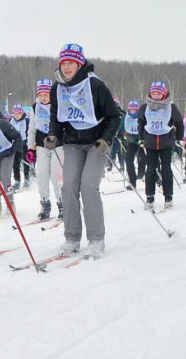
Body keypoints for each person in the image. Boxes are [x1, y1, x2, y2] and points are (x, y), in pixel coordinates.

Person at [45, 44, 120, 257]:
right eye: (63, 63)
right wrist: (53, 135)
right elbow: (55, 116)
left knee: (88, 185)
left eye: (71, 63)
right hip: (73, 143)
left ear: (80, 63)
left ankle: (96, 239)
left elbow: (114, 116)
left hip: (97, 142)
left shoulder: (95, 85)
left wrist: (106, 138)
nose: (67, 67)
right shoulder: (57, 87)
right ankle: (72, 237)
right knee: (68, 186)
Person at [137, 81, 184, 210]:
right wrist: (140, 138)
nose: (156, 96)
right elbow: (141, 123)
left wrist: (179, 138)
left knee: (166, 169)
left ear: (163, 94)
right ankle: (150, 197)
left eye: (158, 93)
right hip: (150, 142)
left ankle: (168, 196)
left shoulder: (171, 107)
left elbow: (179, 122)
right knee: (150, 169)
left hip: (166, 142)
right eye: (153, 93)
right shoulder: (144, 107)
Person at [28, 78, 63, 220]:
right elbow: (31, 129)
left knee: (57, 176)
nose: (43, 97)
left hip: (58, 145)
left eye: (46, 94)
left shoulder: (58, 105)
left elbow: (63, 125)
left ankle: (62, 203)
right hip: (41, 145)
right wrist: (30, 148)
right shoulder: (35, 107)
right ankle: (45, 203)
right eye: (40, 94)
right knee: (42, 175)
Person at [0, 103, 22, 217]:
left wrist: (18, 153)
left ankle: (10, 202)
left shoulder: (0, 124)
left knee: (5, 178)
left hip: (7, 153)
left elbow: (17, 136)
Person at [122, 100, 144, 190]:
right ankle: (132, 182)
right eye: (131, 109)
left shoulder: (142, 116)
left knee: (143, 159)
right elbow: (121, 127)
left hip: (142, 140)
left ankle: (157, 178)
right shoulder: (126, 117)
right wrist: (121, 134)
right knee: (128, 160)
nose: (132, 111)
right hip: (131, 140)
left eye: (135, 110)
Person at [8, 104, 30, 189]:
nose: (17, 115)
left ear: (22, 113)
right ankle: (17, 179)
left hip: (25, 144)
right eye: (15, 113)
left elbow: (30, 131)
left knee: (26, 160)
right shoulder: (11, 120)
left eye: (19, 113)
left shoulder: (26, 121)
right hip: (15, 145)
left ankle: (27, 177)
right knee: (15, 162)